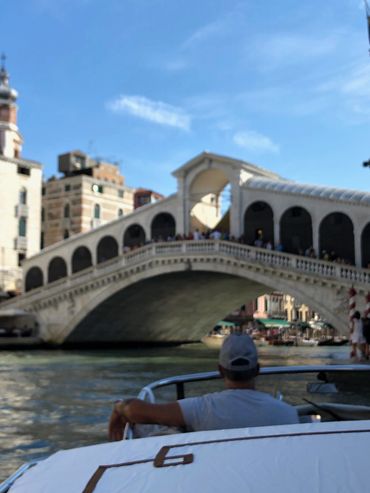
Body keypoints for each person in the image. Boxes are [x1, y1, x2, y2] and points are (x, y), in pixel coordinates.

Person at [108, 334, 299, 440]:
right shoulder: (288, 414)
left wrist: (119, 407)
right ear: (257, 370)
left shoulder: (201, 409)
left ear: (220, 370)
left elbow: (136, 411)